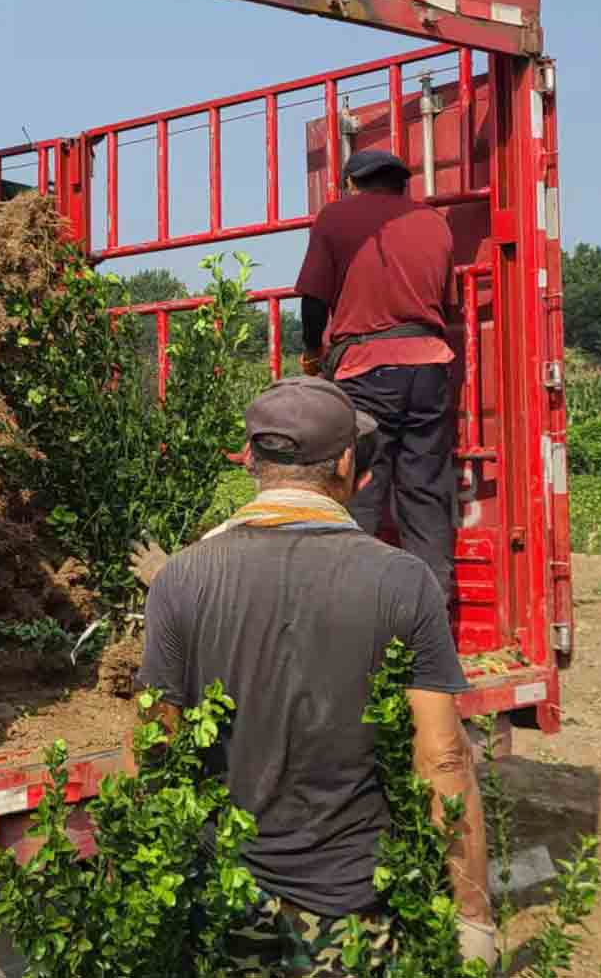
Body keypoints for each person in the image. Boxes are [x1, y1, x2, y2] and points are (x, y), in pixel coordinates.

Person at [136, 377, 493, 976]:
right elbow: (443, 760)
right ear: (349, 461)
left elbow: (155, 741)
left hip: (227, 894)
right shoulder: (401, 581)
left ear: (251, 459)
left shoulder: (182, 579)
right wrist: (473, 915)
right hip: (348, 905)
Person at [296, 149, 457, 596]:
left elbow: (313, 300)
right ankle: (432, 612)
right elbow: (445, 302)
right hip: (430, 367)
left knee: (361, 487)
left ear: (351, 183)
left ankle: (357, 608)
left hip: (366, 369)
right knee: (425, 491)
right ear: (400, 183)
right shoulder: (434, 222)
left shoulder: (335, 218)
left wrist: (312, 353)